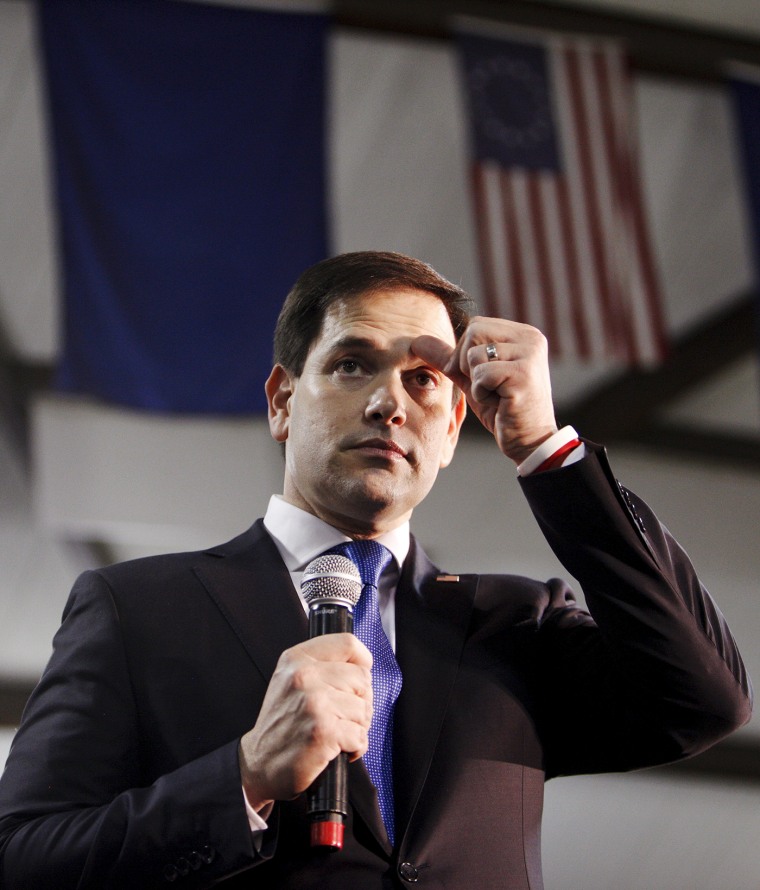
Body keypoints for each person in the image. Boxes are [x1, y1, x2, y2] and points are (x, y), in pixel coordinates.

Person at [0, 251, 752, 889]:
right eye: (353, 364)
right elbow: (23, 858)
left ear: (456, 427)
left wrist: (547, 449)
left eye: (425, 379)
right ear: (282, 400)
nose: (390, 401)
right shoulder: (139, 608)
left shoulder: (515, 628)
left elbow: (703, 699)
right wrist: (245, 777)